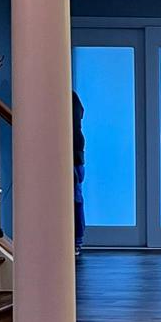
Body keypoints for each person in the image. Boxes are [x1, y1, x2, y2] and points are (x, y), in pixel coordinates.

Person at [73, 91, 85, 255]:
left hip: (72, 155)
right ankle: (77, 240)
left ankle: (76, 239)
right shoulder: (72, 96)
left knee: (75, 198)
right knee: (76, 198)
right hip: (77, 155)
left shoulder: (66, 97)